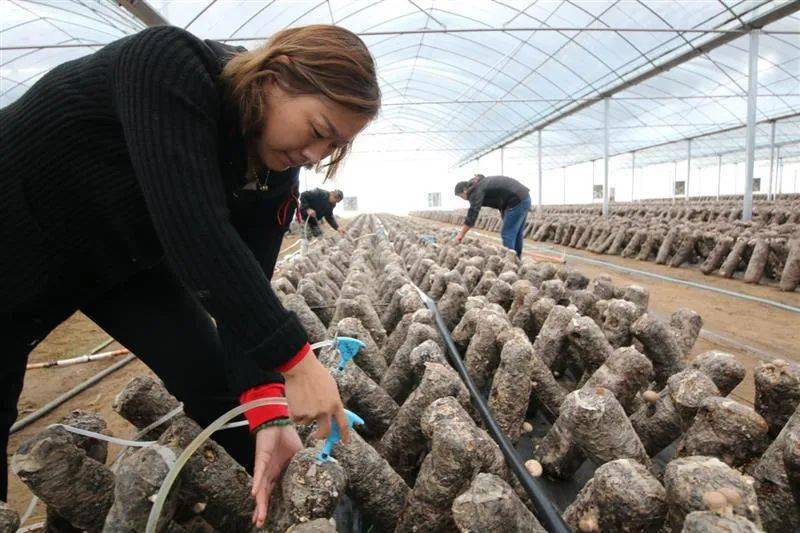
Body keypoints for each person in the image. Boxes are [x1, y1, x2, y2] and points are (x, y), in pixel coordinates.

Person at [0, 24, 380, 527]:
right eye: (316, 130)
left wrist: (267, 405)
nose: (315, 155)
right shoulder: (167, 65)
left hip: (113, 260)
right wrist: (298, 363)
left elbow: (245, 280)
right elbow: (193, 230)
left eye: (333, 147)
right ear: (276, 74)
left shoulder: (274, 171)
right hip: (15, 235)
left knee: (215, 381)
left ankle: (299, 511)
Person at [454, 174, 532, 257]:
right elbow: (499, 198)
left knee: (507, 234)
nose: (464, 199)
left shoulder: (475, 191)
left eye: (461, 196)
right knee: (516, 233)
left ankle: (510, 262)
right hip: (523, 197)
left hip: (517, 200)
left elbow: (473, 212)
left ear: (465, 190)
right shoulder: (480, 184)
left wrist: (461, 234)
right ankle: (516, 260)